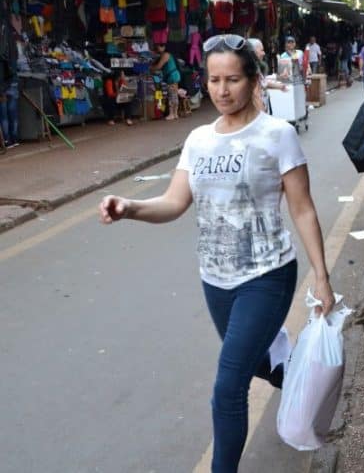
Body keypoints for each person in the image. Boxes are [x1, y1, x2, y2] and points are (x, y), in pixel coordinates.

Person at [98, 34, 336, 473]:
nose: (222, 91)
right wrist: (129, 207)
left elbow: (302, 210)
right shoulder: (198, 140)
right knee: (255, 360)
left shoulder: (277, 135)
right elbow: (174, 201)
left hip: (267, 274)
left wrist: (321, 276)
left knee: (229, 386)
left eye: (232, 80)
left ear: (253, 80)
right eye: (213, 80)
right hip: (215, 279)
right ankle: (296, 372)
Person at [247, 38, 287, 112]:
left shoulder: (256, 67)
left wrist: (280, 86)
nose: (264, 53)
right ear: (253, 52)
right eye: (261, 50)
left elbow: (263, 82)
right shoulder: (250, 71)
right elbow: (256, 95)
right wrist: (263, 117)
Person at [149, 42, 181, 121]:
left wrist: (151, 68)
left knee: (171, 95)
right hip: (174, 75)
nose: (157, 49)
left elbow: (159, 66)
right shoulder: (168, 54)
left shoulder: (165, 55)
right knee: (174, 95)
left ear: (163, 47)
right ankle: (175, 113)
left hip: (171, 77)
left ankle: (171, 114)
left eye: (158, 47)